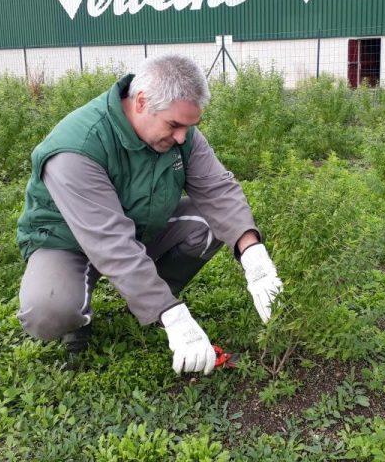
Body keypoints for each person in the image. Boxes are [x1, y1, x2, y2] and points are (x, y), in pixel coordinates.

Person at [15, 55, 283, 375]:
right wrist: (175, 317)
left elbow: (217, 190)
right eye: (174, 125)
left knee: (213, 222)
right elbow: (110, 243)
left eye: (189, 127)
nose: (182, 137)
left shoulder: (179, 133)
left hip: (139, 227)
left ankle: (148, 302)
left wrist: (253, 255)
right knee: (48, 311)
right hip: (69, 242)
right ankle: (94, 318)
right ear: (141, 102)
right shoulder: (77, 148)